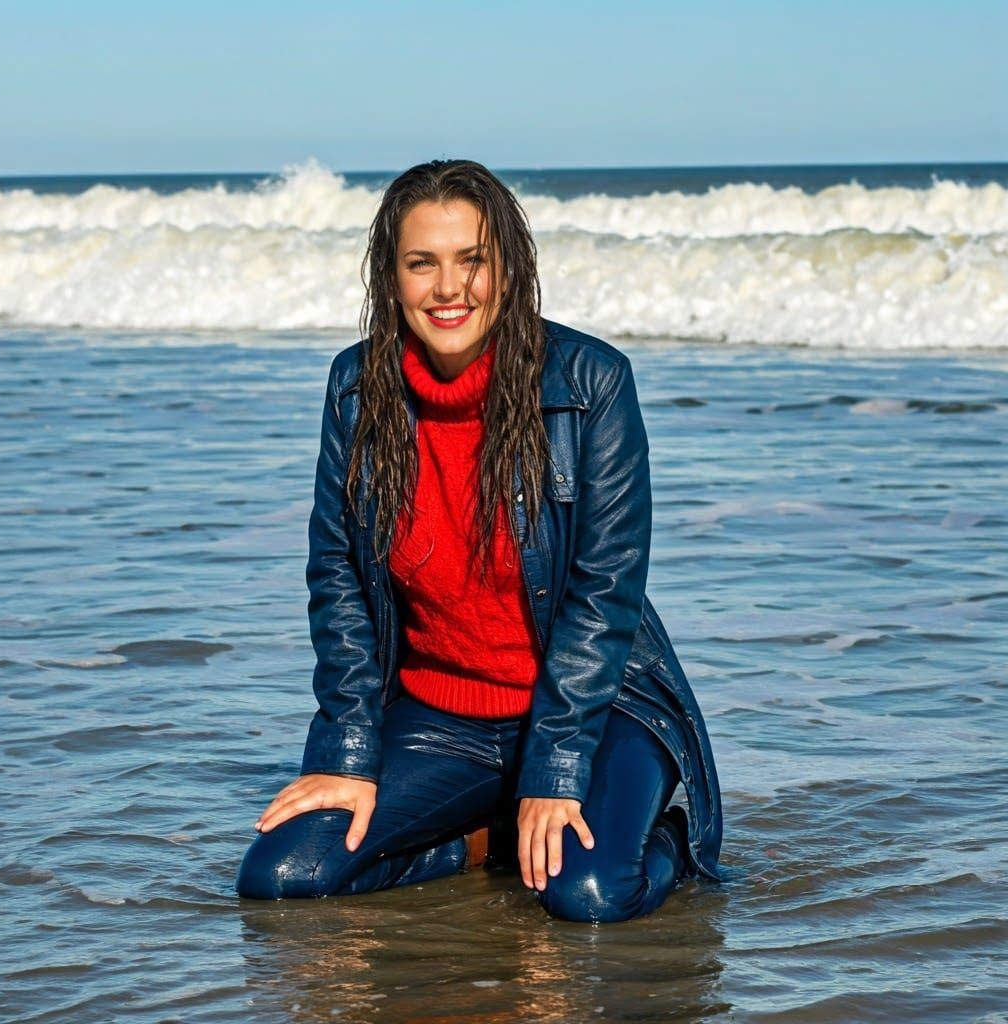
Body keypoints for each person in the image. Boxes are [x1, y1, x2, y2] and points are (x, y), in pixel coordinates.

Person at [236, 159, 722, 922]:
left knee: (589, 895)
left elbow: (604, 592)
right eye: (421, 263)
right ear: (390, 278)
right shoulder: (356, 388)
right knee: (285, 876)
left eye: (472, 260)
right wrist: (348, 755)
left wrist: (555, 769)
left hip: (598, 711)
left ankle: (661, 836)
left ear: (510, 269)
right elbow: (338, 577)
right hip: (442, 719)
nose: (448, 288)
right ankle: (478, 840)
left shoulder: (590, 383)